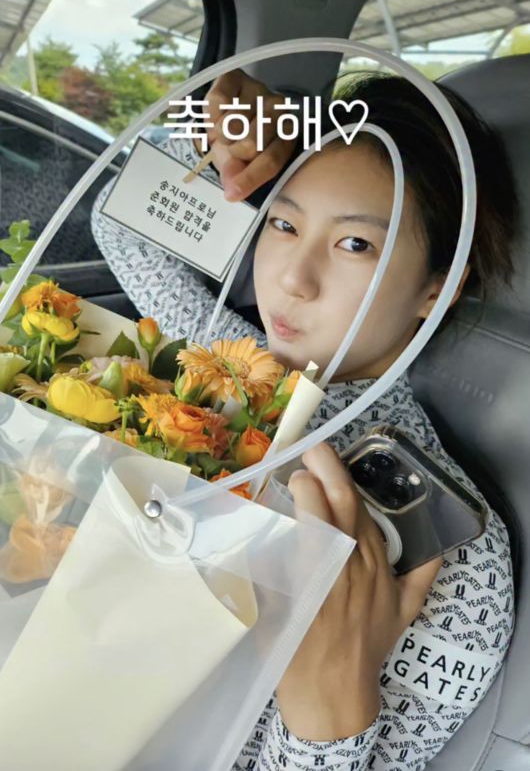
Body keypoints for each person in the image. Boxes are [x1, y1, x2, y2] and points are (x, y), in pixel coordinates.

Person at [90, 67, 517, 770]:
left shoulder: (451, 551)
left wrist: (329, 701)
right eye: (284, 223)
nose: (292, 278)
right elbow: (118, 218)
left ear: (436, 291)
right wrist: (227, 147)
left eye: (355, 244)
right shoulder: (232, 361)